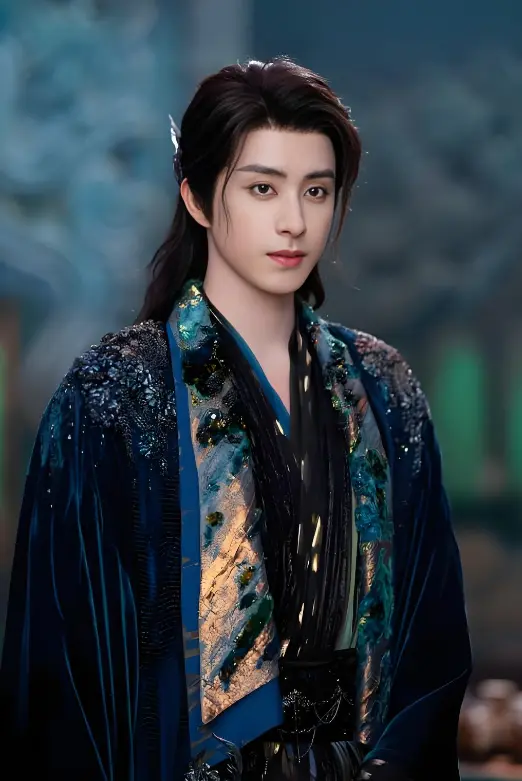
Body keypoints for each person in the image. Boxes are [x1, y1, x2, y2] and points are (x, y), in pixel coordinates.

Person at [0, 57, 472, 781]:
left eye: (317, 190)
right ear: (195, 195)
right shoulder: (116, 393)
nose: (294, 221)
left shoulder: (382, 386)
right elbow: (64, 670)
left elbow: (432, 647)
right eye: (262, 188)